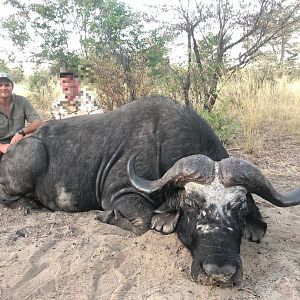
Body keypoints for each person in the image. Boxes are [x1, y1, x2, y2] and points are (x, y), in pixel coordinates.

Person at [0, 72, 43, 156]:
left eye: (7, 85)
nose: (3, 88)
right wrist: (1, 146)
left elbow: (38, 122)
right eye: (0, 85)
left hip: (19, 142)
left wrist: (21, 132)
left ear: (12, 87)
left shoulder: (22, 101)